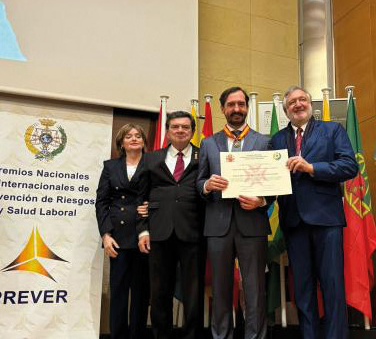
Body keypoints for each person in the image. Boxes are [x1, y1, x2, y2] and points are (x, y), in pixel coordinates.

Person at [271, 86, 357, 339]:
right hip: (293, 221)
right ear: (286, 110)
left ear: (310, 104)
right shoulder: (276, 139)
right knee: (302, 288)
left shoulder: (332, 131)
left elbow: (349, 166)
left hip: (326, 220)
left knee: (332, 285)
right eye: (292, 103)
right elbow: (270, 178)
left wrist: (312, 168)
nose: (298, 105)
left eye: (302, 100)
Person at [197, 87, 271, 339]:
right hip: (218, 225)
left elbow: (274, 184)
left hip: (253, 224)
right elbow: (198, 182)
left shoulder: (264, 141)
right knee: (220, 289)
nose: (237, 109)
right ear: (222, 109)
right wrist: (207, 185)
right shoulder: (208, 143)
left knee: (255, 289)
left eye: (241, 104)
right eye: (231, 104)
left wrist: (261, 201)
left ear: (247, 107)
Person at [136, 111, 205, 339]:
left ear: (192, 131)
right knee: (159, 292)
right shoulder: (151, 158)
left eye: (185, 127)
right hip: (158, 232)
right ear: (167, 131)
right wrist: (143, 229)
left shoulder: (203, 156)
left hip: (193, 232)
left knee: (193, 293)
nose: (180, 131)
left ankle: (192, 335)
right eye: (175, 127)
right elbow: (140, 196)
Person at [96, 123, 151, 339]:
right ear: (121, 142)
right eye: (129, 136)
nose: (134, 139)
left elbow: (162, 195)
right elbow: (101, 202)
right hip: (117, 237)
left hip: (144, 234)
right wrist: (105, 235)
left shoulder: (153, 164)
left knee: (141, 293)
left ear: (144, 141)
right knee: (118, 292)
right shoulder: (110, 166)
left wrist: (151, 206)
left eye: (138, 136)